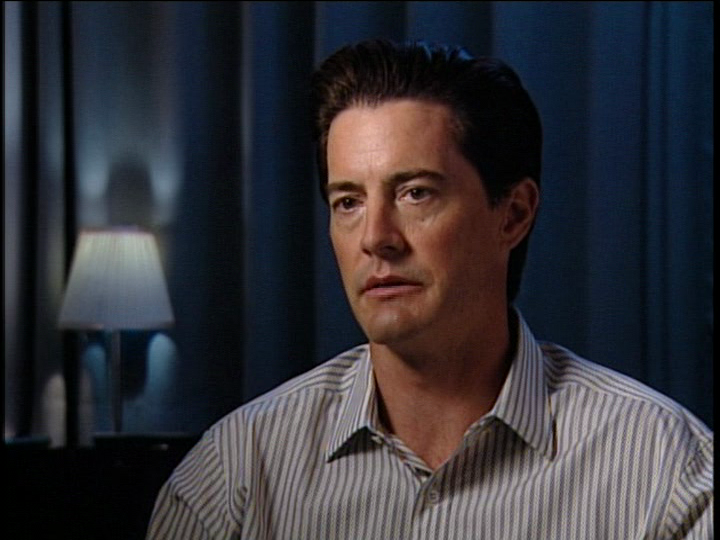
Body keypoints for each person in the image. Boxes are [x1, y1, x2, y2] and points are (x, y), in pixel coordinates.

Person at [147, 39, 713, 539]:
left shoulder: (664, 472)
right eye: (348, 202)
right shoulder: (235, 476)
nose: (376, 238)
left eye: (415, 193)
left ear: (513, 214)